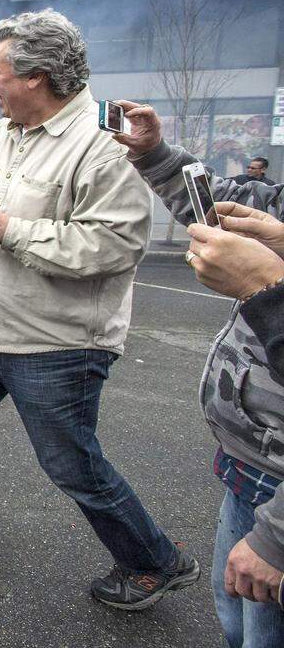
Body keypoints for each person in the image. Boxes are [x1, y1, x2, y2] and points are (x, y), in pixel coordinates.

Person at [0, 9, 199, 611]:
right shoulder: (10, 130)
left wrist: (12, 230)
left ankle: (156, 561)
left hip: (59, 343)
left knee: (71, 464)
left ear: (36, 78)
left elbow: (117, 244)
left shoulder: (107, 146)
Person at [113, 105, 284, 645]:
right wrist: (155, 156)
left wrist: (268, 286)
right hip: (250, 463)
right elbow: (224, 209)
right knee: (235, 620)